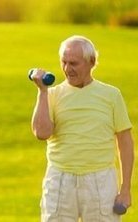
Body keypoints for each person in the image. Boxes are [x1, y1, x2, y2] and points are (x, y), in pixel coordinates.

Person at [30, 35, 134, 221]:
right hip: (60, 180)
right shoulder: (51, 95)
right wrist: (42, 92)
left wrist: (125, 189)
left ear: (91, 62)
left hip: (100, 181)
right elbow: (42, 133)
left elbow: (125, 143)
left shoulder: (111, 95)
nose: (67, 69)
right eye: (64, 62)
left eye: (74, 63)